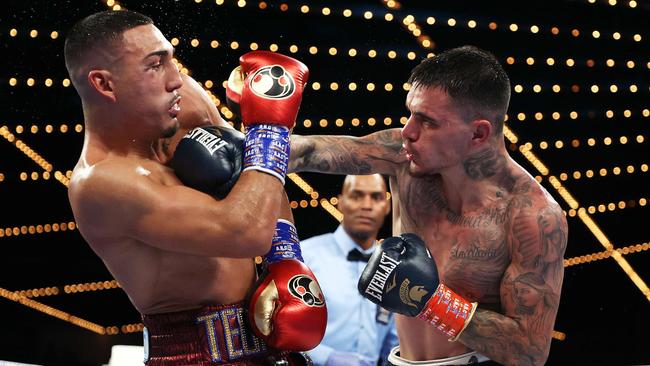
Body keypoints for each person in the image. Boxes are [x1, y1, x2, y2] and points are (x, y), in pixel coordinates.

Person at [64, 10, 326, 365]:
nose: (176, 78)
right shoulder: (101, 183)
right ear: (105, 84)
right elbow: (244, 230)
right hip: (192, 355)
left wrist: (284, 258)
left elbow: (251, 176)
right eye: (155, 65)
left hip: (273, 345)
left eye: (171, 59)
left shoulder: (181, 101)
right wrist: (270, 130)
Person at [288, 46, 568, 365]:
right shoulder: (405, 159)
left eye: (428, 122)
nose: (408, 132)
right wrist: (258, 144)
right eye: (410, 114)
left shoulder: (531, 217)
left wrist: (430, 301)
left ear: (478, 134)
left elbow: (530, 351)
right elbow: (311, 152)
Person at [301, 175, 398, 366]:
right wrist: (325, 357)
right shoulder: (305, 256)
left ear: (386, 206)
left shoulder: (393, 268)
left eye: (376, 197)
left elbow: (393, 343)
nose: (367, 205)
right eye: (357, 196)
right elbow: (279, 329)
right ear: (341, 202)